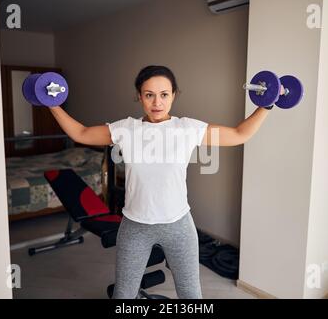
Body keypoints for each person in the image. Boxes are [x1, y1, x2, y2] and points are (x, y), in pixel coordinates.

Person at [49, 65, 270, 299]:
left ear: (174, 95)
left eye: (164, 94)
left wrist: (266, 105)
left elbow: (239, 134)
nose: (157, 102)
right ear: (139, 96)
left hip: (178, 226)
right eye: (149, 95)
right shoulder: (126, 129)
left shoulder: (187, 128)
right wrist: (51, 103)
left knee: (191, 296)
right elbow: (81, 133)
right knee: (123, 296)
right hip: (135, 226)